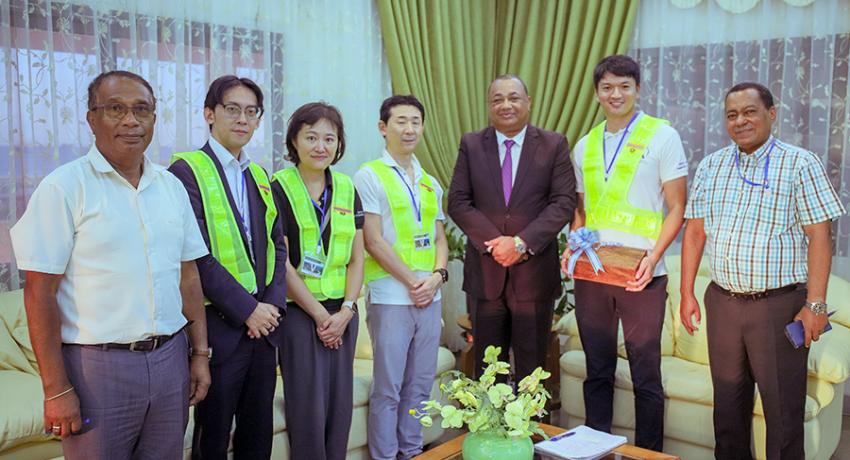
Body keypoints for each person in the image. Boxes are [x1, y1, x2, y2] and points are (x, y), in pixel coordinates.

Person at [10, 70, 211, 459]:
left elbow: (188, 277)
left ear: (154, 118)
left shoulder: (171, 188)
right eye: (115, 109)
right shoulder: (64, 188)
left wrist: (199, 354)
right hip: (96, 369)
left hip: (170, 361)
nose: (130, 121)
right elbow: (40, 292)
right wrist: (55, 388)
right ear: (91, 118)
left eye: (142, 110)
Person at [680, 82, 845, 459]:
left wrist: (816, 304)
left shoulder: (800, 163)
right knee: (727, 409)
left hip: (778, 307)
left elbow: (820, 236)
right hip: (721, 303)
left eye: (750, 111)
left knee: (783, 414)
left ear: (771, 114)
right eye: (732, 114)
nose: (741, 121)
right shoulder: (711, 165)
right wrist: (688, 292)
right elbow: (694, 233)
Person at [564, 55, 688, 451]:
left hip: (643, 272)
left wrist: (653, 259)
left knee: (645, 373)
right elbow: (582, 211)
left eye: (624, 86)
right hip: (596, 272)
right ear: (597, 92)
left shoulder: (662, 136)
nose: (615, 94)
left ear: (637, 89)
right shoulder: (584, 145)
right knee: (596, 369)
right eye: (607, 87)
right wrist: (574, 244)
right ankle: (595, 449)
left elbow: (678, 208)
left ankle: (647, 454)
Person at [168, 75, 287, 460]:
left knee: (258, 434)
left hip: (263, 329)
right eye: (232, 109)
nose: (242, 119)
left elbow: (277, 247)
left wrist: (268, 309)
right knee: (213, 435)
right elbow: (195, 254)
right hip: (219, 327)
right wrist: (247, 310)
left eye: (251, 112)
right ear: (209, 114)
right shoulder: (187, 171)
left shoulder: (260, 176)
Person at [447, 74, 575, 382]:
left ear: (528, 102)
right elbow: (458, 202)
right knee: (488, 370)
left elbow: (563, 202)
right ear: (489, 106)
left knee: (532, 370)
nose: (506, 105)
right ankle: (490, 430)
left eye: (513, 98)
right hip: (486, 274)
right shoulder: (472, 144)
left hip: (533, 275)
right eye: (497, 99)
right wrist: (498, 243)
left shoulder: (552, 144)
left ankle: (530, 431)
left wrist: (520, 242)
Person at [352, 95, 448, 460]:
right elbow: (373, 241)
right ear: (383, 127)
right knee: (389, 388)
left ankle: (412, 452)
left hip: (429, 294)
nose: (409, 129)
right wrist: (414, 282)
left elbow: (440, 238)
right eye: (400, 121)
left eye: (415, 122)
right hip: (392, 295)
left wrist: (437, 277)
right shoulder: (369, 175)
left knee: (421, 386)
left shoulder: (430, 182)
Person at [270, 102, 364, 460]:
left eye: (329, 138)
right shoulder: (276, 187)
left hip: (342, 313)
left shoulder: (345, 187)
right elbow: (282, 262)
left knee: (340, 405)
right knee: (307, 407)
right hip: (300, 315)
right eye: (311, 137)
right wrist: (321, 317)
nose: (320, 146)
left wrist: (346, 310)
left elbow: (358, 258)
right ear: (294, 140)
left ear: (338, 144)